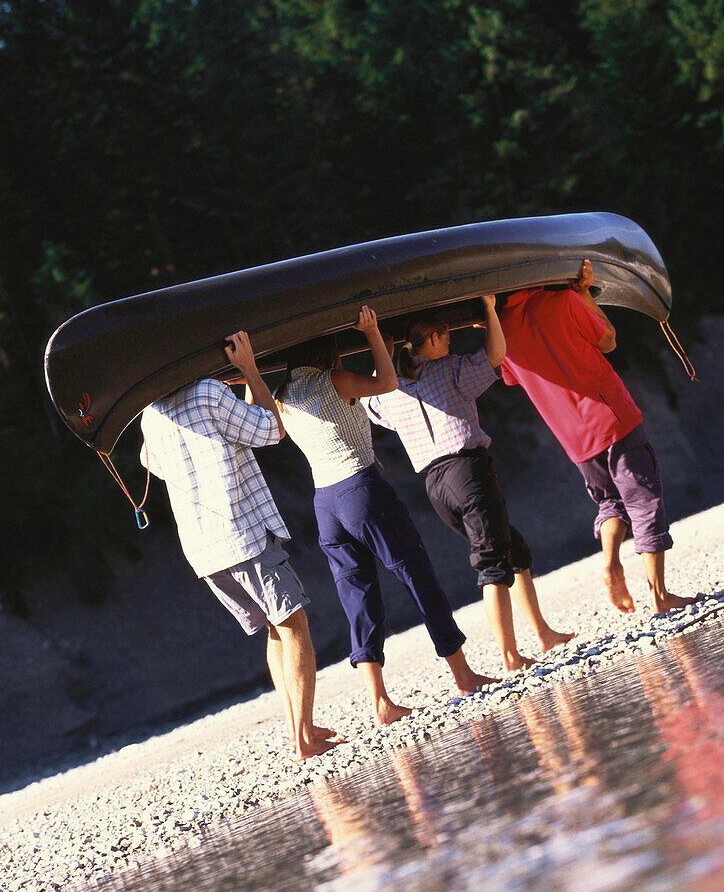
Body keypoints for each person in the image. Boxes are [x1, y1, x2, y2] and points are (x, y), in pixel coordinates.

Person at [275, 305, 496, 725]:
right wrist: (374, 334)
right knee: (417, 574)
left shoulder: (285, 396)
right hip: (361, 490)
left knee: (357, 597)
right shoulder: (334, 379)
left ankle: (380, 701)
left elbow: (265, 415)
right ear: (329, 352)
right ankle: (463, 674)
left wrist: (248, 369)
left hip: (325, 505)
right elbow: (388, 382)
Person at [140, 329, 339, 760]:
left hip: (204, 550)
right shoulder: (209, 392)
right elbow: (271, 431)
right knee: (295, 625)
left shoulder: (151, 414)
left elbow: (148, 463)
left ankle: (297, 727)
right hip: (242, 533)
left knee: (274, 627)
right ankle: (303, 739)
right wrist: (249, 370)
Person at [365, 295, 572, 672]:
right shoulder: (450, 369)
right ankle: (510, 656)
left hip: (435, 486)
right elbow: (494, 356)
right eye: (443, 336)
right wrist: (491, 310)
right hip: (467, 472)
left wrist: (386, 351)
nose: (449, 341)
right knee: (492, 561)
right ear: (430, 340)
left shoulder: (391, 391)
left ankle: (541, 633)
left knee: (514, 550)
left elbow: (371, 408)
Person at [497, 259, 694, 614]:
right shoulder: (562, 302)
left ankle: (611, 562)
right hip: (611, 416)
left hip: (573, 437)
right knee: (644, 500)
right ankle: (660, 596)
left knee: (610, 503)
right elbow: (608, 340)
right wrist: (584, 292)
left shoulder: (503, 331)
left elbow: (511, 377)